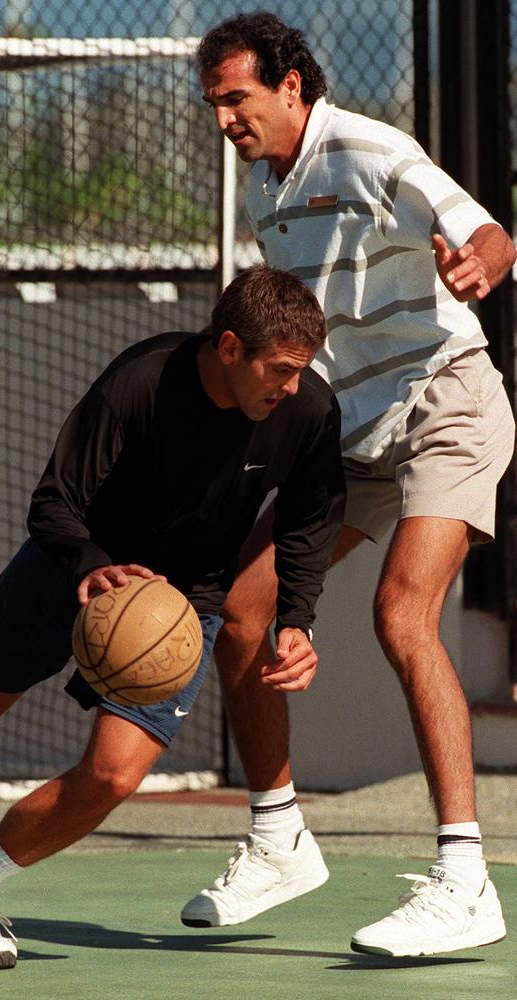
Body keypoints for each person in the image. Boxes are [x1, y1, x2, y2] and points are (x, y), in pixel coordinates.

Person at [0, 265, 345, 970]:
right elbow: (53, 499)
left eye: (302, 370)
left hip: (180, 607)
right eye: (279, 368)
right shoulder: (143, 381)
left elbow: (308, 521)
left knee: (116, 773)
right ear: (230, 348)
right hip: (74, 568)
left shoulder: (306, 413)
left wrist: (298, 619)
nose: (291, 386)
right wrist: (91, 563)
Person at [183, 11, 516, 958]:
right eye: (213, 104)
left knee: (403, 614)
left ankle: (465, 881)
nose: (224, 121)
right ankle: (279, 835)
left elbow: (491, 232)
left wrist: (476, 265)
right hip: (354, 432)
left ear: (292, 87)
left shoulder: (373, 150)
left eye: (236, 99)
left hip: (447, 400)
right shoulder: (264, 194)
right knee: (243, 608)